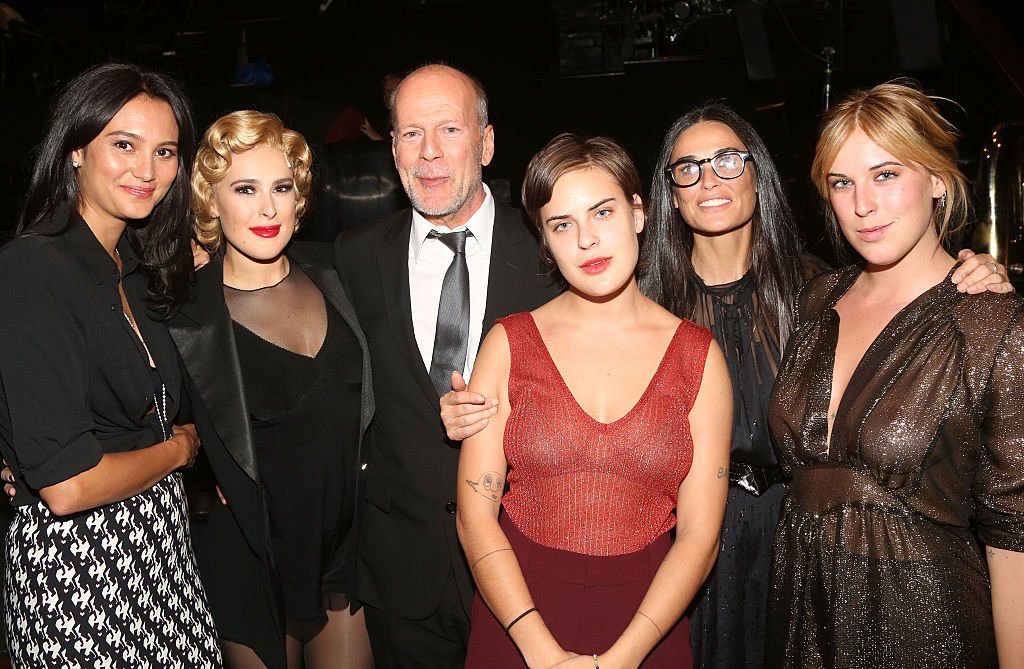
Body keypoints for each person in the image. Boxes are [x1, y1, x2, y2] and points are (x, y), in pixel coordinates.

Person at [767, 81, 1024, 668]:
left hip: (929, 629)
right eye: (841, 182)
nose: (862, 205)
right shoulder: (816, 302)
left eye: (886, 175)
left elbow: (1016, 538)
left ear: (937, 179)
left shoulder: (993, 323)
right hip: (801, 618)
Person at [456, 133, 732, 668]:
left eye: (602, 212)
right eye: (563, 225)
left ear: (637, 213)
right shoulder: (509, 343)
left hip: (649, 618)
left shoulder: (698, 357)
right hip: (517, 610)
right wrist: (540, 652)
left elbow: (701, 536)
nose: (586, 240)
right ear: (546, 241)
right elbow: (474, 516)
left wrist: (624, 659)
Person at [333, 63, 559, 667]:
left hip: (523, 570)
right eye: (409, 133)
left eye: (449, 130)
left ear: (486, 143)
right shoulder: (354, 258)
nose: (428, 152)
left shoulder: (551, 259)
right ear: (393, 149)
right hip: (400, 575)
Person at [0, 62, 221, 667]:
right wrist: (181, 450)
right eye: (124, 145)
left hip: (163, 549)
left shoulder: (136, 265)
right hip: (80, 570)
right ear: (76, 149)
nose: (147, 170)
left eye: (166, 151)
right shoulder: (33, 269)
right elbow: (69, 486)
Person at [170, 111, 375, 669]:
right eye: (245, 189)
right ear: (211, 202)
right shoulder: (187, 316)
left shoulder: (337, 274)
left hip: (341, 555)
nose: (267, 208)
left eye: (281, 188)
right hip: (252, 559)